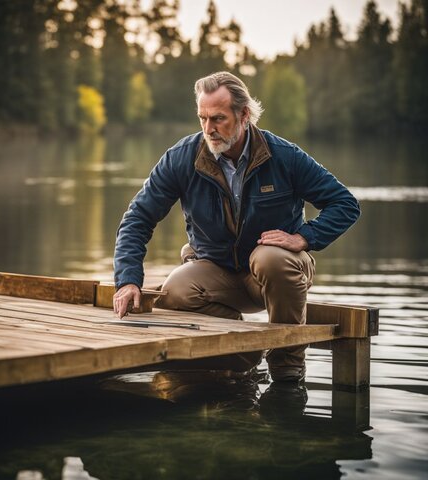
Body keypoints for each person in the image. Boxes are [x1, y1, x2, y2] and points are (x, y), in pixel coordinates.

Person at [113, 71, 360, 382]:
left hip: (274, 273)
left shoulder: (284, 156)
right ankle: (246, 353)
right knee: (174, 291)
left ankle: (287, 366)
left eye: (218, 118)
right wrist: (127, 280)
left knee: (269, 257)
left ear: (244, 115)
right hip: (216, 270)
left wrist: (304, 237)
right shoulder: (181, 158)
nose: (208, 129)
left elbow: (345, 204)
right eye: (202, 118)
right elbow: (138, 218)